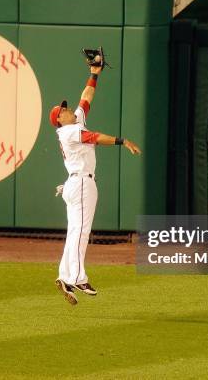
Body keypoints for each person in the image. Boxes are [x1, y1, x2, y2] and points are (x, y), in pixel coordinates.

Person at [49, 63, 141, 306]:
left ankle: (65, 276)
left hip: (75, 183)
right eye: (64, 110)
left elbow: (86, 98)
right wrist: (122, 141)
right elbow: (95, 137)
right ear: (59, 119)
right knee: (81, 231)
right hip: (80, 184)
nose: (69, 110)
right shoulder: (67, 133)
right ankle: (78, 277)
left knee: (74, 231)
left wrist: (94, 73)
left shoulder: (74, 122)